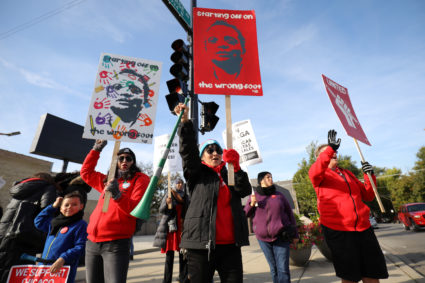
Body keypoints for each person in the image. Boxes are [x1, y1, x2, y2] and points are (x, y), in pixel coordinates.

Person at [174, 103, 251, 283]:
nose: (215, 153)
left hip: (231, 246)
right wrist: (185, 123)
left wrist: (237, 168)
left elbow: (244, 190)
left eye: (218, 150)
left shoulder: (229, 172)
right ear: (202, 156)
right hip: (201, 246)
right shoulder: (196, 173)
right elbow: (188, 151)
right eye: (209, 150)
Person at [308, 130, 388, 283]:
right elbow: (315, 170)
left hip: (363, 228)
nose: (333, 153)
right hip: (339, 230)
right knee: (350, 274)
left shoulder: (348, 174)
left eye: (334, 151)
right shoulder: (319, 175)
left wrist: (369, 176)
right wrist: (330, 148)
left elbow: (368, 196)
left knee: (372, 272)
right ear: (320, 158)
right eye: (328, 152)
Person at [80, 140, 150, 283]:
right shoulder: (107, 180)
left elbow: (134, 209)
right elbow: (86, 173)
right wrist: (96, 149)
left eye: (128, 158)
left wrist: (118, 195)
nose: (124, 161)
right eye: (121, 158)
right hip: (92, 242)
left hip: (116, 244)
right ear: (116, 161)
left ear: (133, 162)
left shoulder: (140, 179)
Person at [0, 172, 58, 282]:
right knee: (16, 273)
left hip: (3, 233)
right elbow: (47, 210)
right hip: (23, 236)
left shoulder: (19, 190)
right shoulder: (48, 187)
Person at [244, 171, 299, 283]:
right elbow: (245, 214)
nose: (271, 179)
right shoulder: (255, 196)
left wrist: (295, 234)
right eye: (267, 177)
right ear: (261, 181)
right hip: (263, 239)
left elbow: (290, 214)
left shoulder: (279, 195)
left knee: (283, 268)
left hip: (281, 237)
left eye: (271, 177)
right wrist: (251, 204)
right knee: (273, 269)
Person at [34, 191, 88, 283]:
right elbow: (39, 222)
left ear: (81, 206)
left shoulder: (81, 225)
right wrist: (53, 206)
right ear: (60, 208)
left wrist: (63, 258)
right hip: (44, 267)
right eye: (66, 205)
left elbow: (81, 247)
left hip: (63, 269)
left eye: (74, 204)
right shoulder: (55, 223)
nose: (69, 207)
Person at [153, 178, 190, 283]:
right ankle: (166, 280)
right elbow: (161, 210)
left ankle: (183, 279)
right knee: (169, 257)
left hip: (182, 227)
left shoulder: (185, 196)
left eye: (181, 183)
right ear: (174, 184)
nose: (179, 185)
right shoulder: (169, 194)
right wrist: (167, 202)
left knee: (183, 255)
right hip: (171, 228)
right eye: (177, 183)